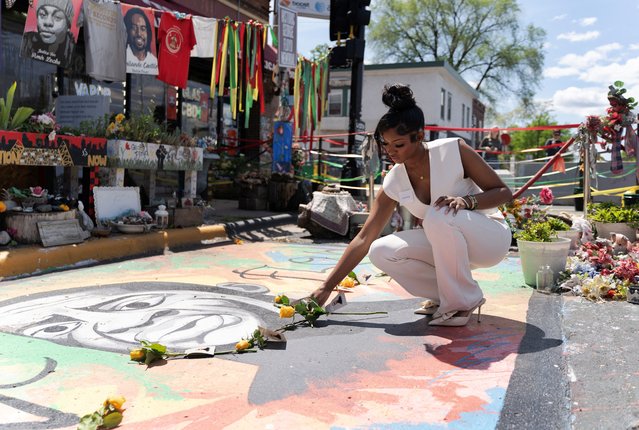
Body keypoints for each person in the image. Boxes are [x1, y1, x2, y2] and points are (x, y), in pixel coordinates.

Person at [310, 84, 513, 327]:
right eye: (385, 144)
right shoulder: (394, 180)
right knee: (381, 250)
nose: (390, 151)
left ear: (419, 136)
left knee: (438, 215)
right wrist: (325, 288)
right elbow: (364, 238)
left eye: (398, 144)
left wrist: (467, 201)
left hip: (490, 239)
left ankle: (461, 303)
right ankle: (448, 297)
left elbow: (503, 192)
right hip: (450, 247)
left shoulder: (453, 150)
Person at [20, 0, 76, 67]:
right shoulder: (27, 42)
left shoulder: (70, 51)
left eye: (57, 17)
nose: (48, 22)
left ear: (68, 26)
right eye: (42, 14)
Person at [123, 7, 158, 74]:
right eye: (134, 27)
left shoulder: (153, 60)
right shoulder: (121, 57)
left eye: (143, 28)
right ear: (128, 30)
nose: (139, 33)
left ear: (148, 33)